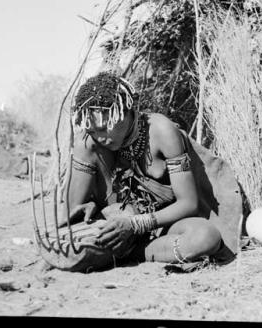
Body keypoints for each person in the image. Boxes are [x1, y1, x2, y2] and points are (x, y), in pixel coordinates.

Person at [59, 72, 243, 267]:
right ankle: (117, 248)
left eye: (105, 127)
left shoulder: (162, 132)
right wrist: (91, 208)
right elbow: (71, 216)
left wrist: (135, 225)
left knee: (206, 237)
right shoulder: (89, 144)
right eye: (93, 130)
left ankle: (129, 253)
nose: (100, 137)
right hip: (112, 223)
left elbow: (189, 204)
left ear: (127, 111)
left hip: (161, 225)